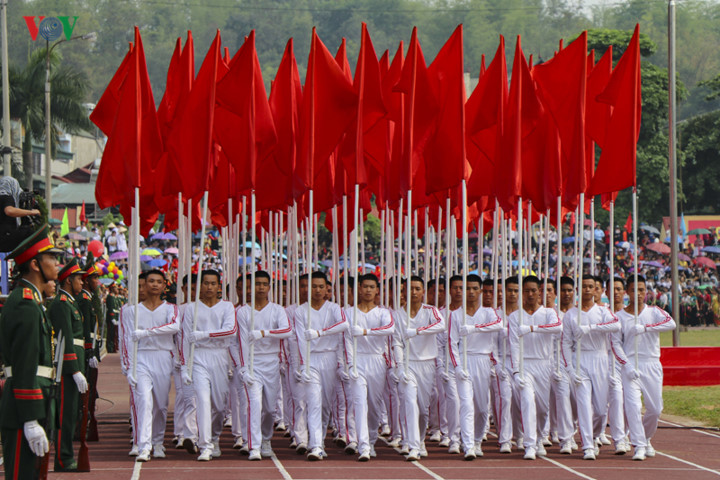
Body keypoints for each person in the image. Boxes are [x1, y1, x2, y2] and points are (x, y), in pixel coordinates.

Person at [0, 225, 61, 479]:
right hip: (23, 408)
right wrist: (30, 419)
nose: (58, 264)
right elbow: (25, 364)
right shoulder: (25, 303)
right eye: (52, 258)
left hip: (33, 402)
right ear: (35, 264)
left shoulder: (32, 300)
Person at [611, 275, 677, 461]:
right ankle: (639, 445)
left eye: (641, 290)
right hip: (630, 364)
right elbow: (615, 345)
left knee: (655, 408)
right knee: (633, 406)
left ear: (645, 292)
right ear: (627, 292)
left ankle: (646, 438)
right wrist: (626, 365)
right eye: (634, 290)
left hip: (651, 363)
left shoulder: (654, 311)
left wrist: (646, 328)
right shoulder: (619, 317)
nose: (638, 294)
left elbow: (671, 324)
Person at [121, 269, 179, 462]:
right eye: (151, 281)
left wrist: (147, 333)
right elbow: (126, 339)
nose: (154, 285)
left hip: (162, 357)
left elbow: (175, 326)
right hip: (141, 358)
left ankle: (158, 441)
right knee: (144, 401)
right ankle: (143, 446)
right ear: (144, 285)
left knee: (161, 405)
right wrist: (128, 366)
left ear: (164, 285)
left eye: (158, 282)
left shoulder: (171, 308)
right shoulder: (131, 310)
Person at [236, 271, 293, 461]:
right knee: (254, 404)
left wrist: (264, 333)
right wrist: (243, 367)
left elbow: (286, 331)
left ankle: (266, 438)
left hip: (271, 362)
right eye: (257, 284)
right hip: (252, 362)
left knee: (269, 408)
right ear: (250, 287)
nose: (260, 287)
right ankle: (253, 446)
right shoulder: (243, 311)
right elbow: (242, 341)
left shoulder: (277, 310)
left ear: (269, 287)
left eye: (264, 284)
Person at [561, 277, 620, 460]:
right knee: (584, 404)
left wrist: (591, 327)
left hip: (600, 357)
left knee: (601, 409)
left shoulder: (603, 311)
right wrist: (570, 368)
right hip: (580, 358)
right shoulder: (571, 314)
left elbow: (616, 325)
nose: (587, 290)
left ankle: (594, 435)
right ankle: (587, 445)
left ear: (597, 290)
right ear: (579, 289)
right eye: (584, 287)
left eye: (591, 287)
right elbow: (565, 342)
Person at [181, 270, 236, 461]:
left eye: (213, 283)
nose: (209, 287)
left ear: (219, 286)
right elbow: (185, 338)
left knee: (219, 406)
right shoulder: (191, 308)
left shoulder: (227, 307)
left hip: (219, 356)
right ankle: (205, 445)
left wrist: (205, 334)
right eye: (205, 283)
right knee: (202, 401)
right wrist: (184, 366)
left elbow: (230, 330)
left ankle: (214, 437)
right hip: (198, 357)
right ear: (200, 286)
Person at [293, 271, 348, 461]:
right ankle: (315, 445)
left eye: (320, 286)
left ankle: (320, 441)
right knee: (314, 402)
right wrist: (302, 365)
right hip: (311, 359)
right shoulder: (301, 311)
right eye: (313, 286)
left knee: (326, 405)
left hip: (330, 357)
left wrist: (320, 333)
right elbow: (300, 339)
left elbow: (344, 324)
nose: (317, 290)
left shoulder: (334, 308)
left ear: (326, 289)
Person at [448, 274, 503, 459]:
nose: (470, 292)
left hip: (482, 360)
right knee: (465, 405)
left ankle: (478, 440)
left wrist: (475, 328)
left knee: (481, 407)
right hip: (464, 360)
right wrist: (457, 366)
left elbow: (499, 324)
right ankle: (468, 445)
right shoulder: (455, 315)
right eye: (467, 288)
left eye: (474, 288)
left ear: (480, 290)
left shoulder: (489, 312)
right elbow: (451, 343)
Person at [508, 275, 562, 460]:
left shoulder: (548, 313)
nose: (530, 294)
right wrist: (516, 370)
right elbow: (514, 344)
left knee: (542, 407)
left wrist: (532, 328)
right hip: (525, 364)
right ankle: (530, 444)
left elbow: (557, 328)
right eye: (527, 291)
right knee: (527, 402)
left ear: (539, 291)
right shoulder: (515, 316)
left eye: (534, 290)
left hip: (544, 363)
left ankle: (540, 438)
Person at [392, 276, 445, 461]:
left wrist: (417, 331)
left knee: (423, 409)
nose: (413, 292)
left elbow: (441, 325)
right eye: (410, 288)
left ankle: (420, 439)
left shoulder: (431, 311)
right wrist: (400, 367)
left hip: (427, 363)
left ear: (423, 291)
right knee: (409, 402)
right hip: (408, 364)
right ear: (403, 291)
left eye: (417, 288)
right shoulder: (398, 314)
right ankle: (413, 445)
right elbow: (397, 342)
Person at [343, 274, 395, 461]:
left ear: (377, 290)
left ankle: (372, 440)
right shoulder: (349, 312)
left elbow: (389, 328)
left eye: (371, 287)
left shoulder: (383, 313)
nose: (368, 290)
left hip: (376, 361)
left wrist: (366, 331)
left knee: (374, 405)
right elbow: (347, 339)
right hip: (358, 360)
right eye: (365, 286)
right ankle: (363, 445)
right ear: (359, 288)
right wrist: (350, 363)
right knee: (359, 403)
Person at [48, 258, 90, 472]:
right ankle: (64, 459)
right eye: (78, 280)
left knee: (72, 413)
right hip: (67, 367)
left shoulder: (70, 302)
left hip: (75, 362)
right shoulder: (61, 304)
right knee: (65, 414)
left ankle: (66, 456)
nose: (82, 284)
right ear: (67, 281)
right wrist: (74, 370)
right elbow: (64, 338)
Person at [0, 177, 40, 252]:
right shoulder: (6, 197)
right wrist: (31, 212)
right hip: (4, 238)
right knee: (29, 233)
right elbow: (9, 211)